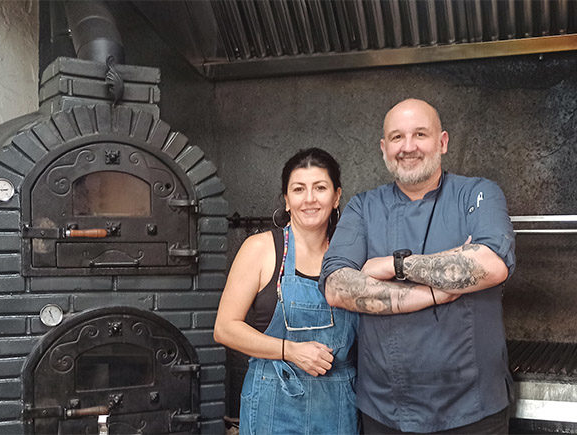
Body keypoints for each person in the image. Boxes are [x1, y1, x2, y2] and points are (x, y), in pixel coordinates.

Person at [321, 99, 516, 434]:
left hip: (473, 409)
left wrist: (395, 265)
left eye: (420, 135)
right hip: (387, 410)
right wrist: (436, 293)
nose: (407, 147)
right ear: (384, 148)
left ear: (442, 142)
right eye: (397, 138)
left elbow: (491, 264)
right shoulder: (363, 207)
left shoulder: (478, 193)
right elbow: (337, 287)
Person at [214, 148, 366, 434]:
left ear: (336, 197)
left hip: (338, 405)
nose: (309, 199)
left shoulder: (354, 255)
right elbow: (225, 328)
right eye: (298, 189)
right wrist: (290, 351)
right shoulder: (260, 249)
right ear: (286, 200)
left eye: (320, 188)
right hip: (273, 401)